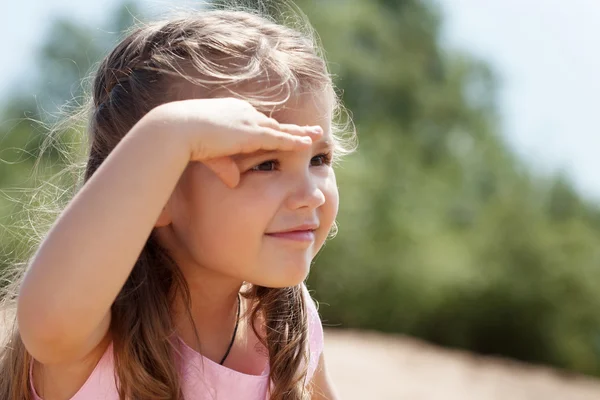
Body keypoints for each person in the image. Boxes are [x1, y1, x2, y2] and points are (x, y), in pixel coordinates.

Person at [0, 3, 356, 400]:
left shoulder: (285, 327)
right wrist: (168, 133)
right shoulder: (97, 337)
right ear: (156, 195)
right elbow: (48, 324)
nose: (310, 193)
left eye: (319, 159)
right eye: (266, 163)